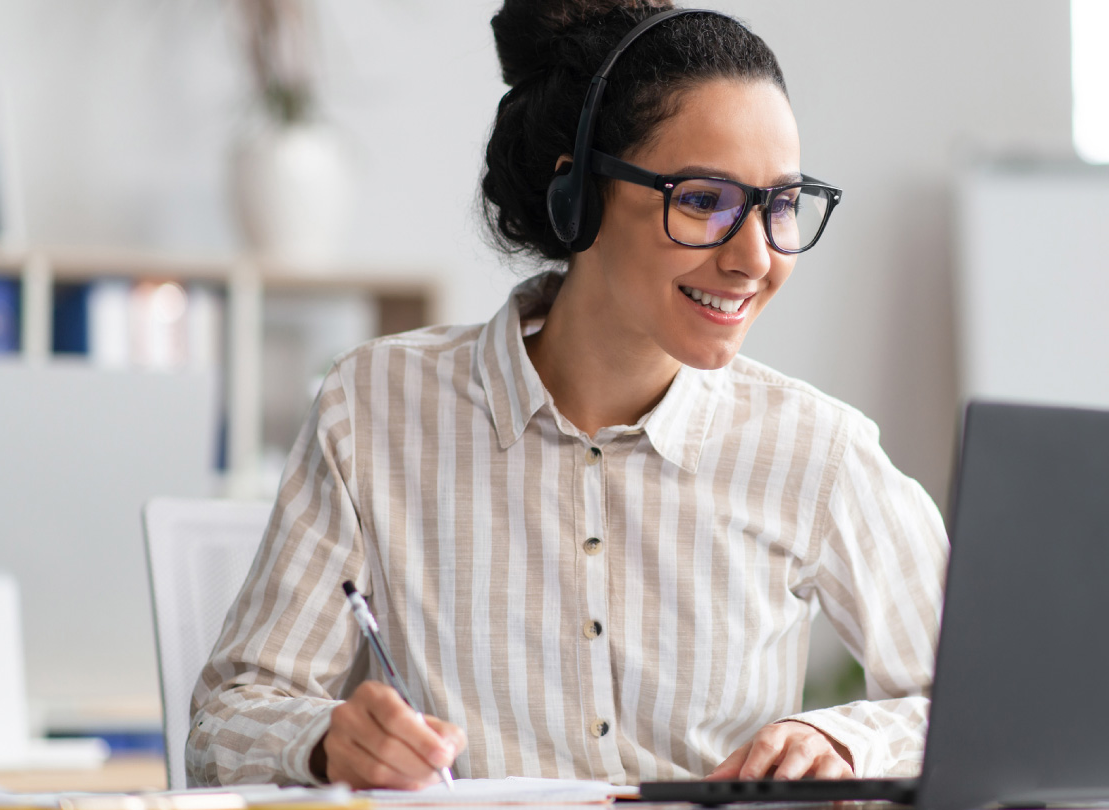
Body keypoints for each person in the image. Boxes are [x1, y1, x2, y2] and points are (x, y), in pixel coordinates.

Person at [188, 0, 947, 789]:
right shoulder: (374, 408)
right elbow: (226, 720)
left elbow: (977, 702)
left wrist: (847, 744)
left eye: (781, 205)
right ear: (578, 195)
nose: (754, 257)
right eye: (702, 201)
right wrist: (326, 741)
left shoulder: (817, 451)